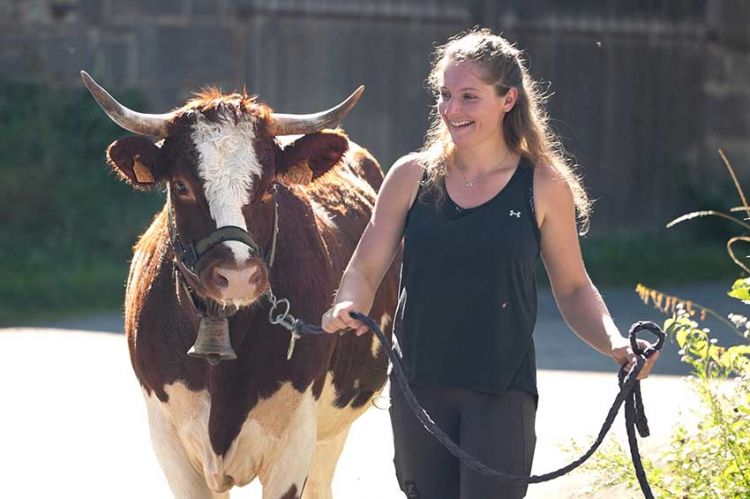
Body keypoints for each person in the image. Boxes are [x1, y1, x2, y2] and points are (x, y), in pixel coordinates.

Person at [321, 28, 660, 499]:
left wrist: (617, 344)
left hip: (501, 392)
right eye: (444, 95)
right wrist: (348, 304)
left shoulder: (543, 184)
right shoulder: (410, 176)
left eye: (469, 96)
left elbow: (574, 288)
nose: (451, 110)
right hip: (419, 386)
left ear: (508, 100)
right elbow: (364, 267)